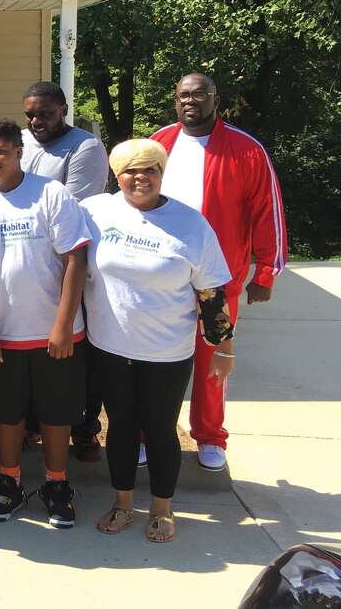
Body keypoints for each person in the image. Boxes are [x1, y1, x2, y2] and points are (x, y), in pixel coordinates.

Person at [83, 140, 233, 542]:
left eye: (149, 169)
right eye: (130, 170)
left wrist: (223, 347)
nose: (140, 178)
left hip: (167, 351)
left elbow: (212, 292)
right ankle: (123, 503)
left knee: (161, 428)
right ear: (117, 175)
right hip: (110, 347)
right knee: (119, 427)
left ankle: (163, 508)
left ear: (161, 174)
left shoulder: (191, 223)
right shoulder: (96, 211)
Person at [151, 72, 286, 471]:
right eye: (183, 95)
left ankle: (210, 436)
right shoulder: (160, 142)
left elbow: (268, 211)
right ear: (175, 100)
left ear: (215, 98)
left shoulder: (246, 150)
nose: (190, 101)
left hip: (217, 276)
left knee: (214, 354)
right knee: (154, 356)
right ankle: (148, 432)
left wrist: (266, 272)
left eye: (199, 94)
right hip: (163, 272)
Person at [0, 119, 91, 528]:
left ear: (18, 151)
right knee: (8, 415)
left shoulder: (51, 194)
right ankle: (9, 481)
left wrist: (63, 325)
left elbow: (75, 259)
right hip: (2, 334)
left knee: (56, 415)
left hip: (56, 335)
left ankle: (56, 484)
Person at [20, 81, 109, 462]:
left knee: (76, 350)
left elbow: (72, 208)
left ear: (64, 109)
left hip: (70, 262)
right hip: (29, 264)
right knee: (32, 350)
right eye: (30, 114)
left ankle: (85, 428)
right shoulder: (21, 141)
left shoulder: (85, 147)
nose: (37, 120)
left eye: (45, 113)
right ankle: (33, 424)